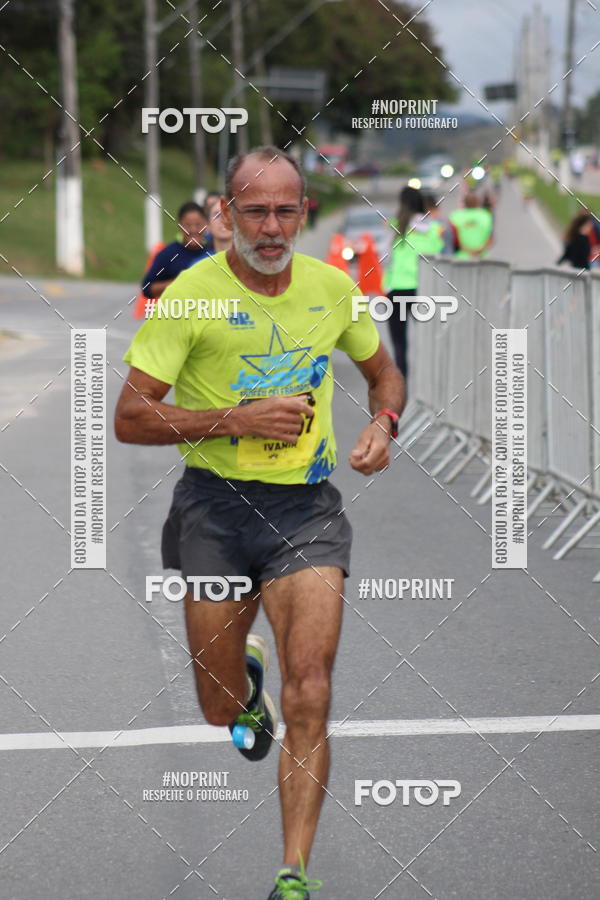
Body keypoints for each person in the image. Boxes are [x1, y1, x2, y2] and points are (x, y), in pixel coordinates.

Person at [115, 145, 405, 900]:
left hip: (307, 512)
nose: (272, 227)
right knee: (216, 708)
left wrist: (384, 421)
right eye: (256, 211)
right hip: (214, 507)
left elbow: (383, 370)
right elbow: (130, 417)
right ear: (225, 215)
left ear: (303, 212)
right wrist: (233, 418)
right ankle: (243, 689)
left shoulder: (332, 289)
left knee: (310, 687)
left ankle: (293, 874)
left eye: (286, 210)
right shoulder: (190, 296)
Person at [383, 185, 446, 377]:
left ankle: (402, 385)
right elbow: (440, 253)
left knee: (399, 343)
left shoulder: (395, 226)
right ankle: (433, 379)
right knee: (430, 339)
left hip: (397, 289)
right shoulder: (434, 227)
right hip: (423, 289)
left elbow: (385, 256)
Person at [141, 201, 213, 299]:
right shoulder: (168, 254)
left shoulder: (213, 252)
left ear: (206, 224)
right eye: (188, 225)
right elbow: (147, 288)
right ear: (179, 225)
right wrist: (178, 282)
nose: (193, 230)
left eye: (198, 224)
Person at [449, 191, 494, 259]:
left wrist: (466, 250)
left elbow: (452, 238)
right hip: (481, 257)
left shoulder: (455, 216)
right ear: (477, 202)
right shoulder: (485, 215)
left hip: (462, 258)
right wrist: (479, 251)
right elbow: (490, 238)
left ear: (464, 203)